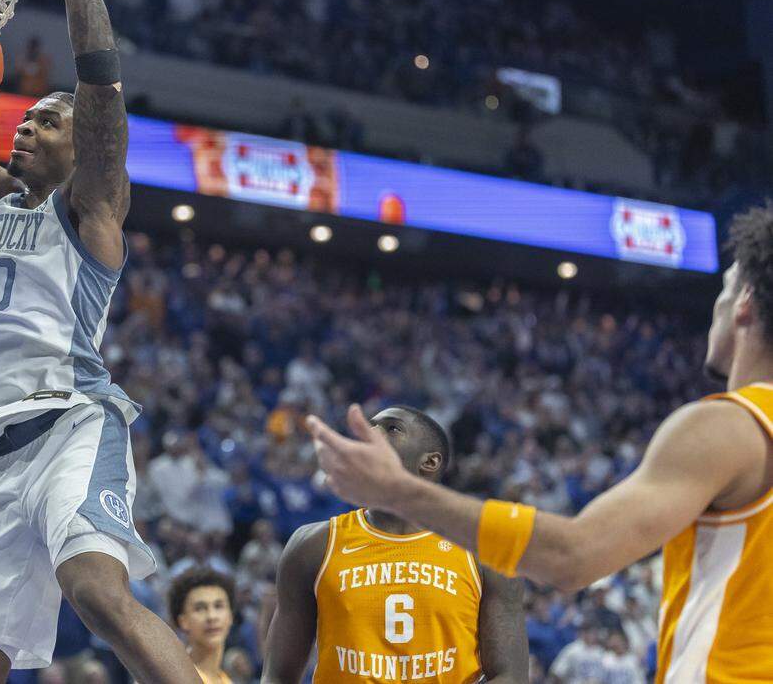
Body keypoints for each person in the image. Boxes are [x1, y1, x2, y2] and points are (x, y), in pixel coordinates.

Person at [304, 204, 773, 682]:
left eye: (725, 288)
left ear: (745, 301)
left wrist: (396, 490)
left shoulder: (727, 428)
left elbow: (573, 557)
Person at [0, 0, 203, 681]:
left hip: (70, 424)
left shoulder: (92, 213)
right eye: (28, 117)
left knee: (96, 592)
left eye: (48, 120)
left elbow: (101, 84)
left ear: (84, 149)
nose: (28, 126)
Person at [262, 406, 528, 683]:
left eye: (392, 428)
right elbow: (277, 676)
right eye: (369, 425)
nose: (370, 432)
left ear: (430, 462)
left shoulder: (484, 551)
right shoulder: (312, 546)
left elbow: (511, 676)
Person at [167, 568, 236, 684]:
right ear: (183, 621)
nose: (212, 616)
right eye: (200, 608)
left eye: (218, 606)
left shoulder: (228, 681)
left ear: (230, 616)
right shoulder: (163, 676)